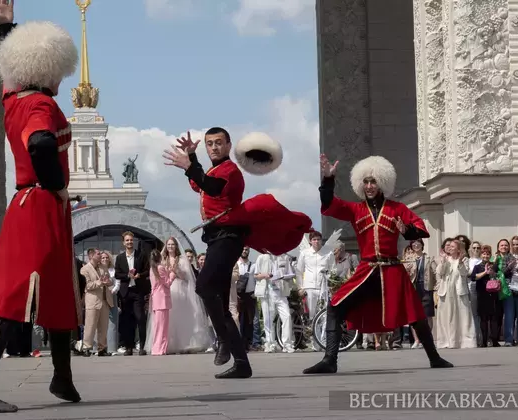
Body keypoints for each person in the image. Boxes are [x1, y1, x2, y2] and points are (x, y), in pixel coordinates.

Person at [0, 0, 81, 414]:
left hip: (31, 204)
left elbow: (10, 72)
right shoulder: (40, 105)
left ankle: (63, 378)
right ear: (49, 68)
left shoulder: (13, 97)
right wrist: (57, 184)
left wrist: (6, 29)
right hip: (41, 203)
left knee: (60, 291)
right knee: (16, 295)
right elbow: (40, 142)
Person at [163, 128, 312, 378]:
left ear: (228, 145)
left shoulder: (230, 170)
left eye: (218, 143)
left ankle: (222, 340)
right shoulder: (211, 169)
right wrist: (193, 157)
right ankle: (242, 363)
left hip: (228, 237)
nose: (213, 147)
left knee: (204, 287)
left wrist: (190, 165)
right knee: (218, 301)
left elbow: (211, 188)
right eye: (209, 144)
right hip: (215, 239)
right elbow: (198, 183)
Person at [303, 154, 453, 374]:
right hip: (366, 270)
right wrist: (327, 180)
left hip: (392, 269)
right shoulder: (355, 209)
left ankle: (435, 357)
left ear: (383, 183)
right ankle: (329, 360)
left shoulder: (397, 209)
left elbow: (422, 229)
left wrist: (407, 231)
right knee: (335, 306)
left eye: (373, 181)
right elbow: (329, 205)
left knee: (416, 314)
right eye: (366, 181)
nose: (369, 186)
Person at [148, 249, 175, 355]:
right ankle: (160, 349)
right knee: (162, 327)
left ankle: (157, 348)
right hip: (162, 299)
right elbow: (167, 283)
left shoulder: (152, 269)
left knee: (158, 326)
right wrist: (172, 274)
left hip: (156, 299)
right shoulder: (160, 268)